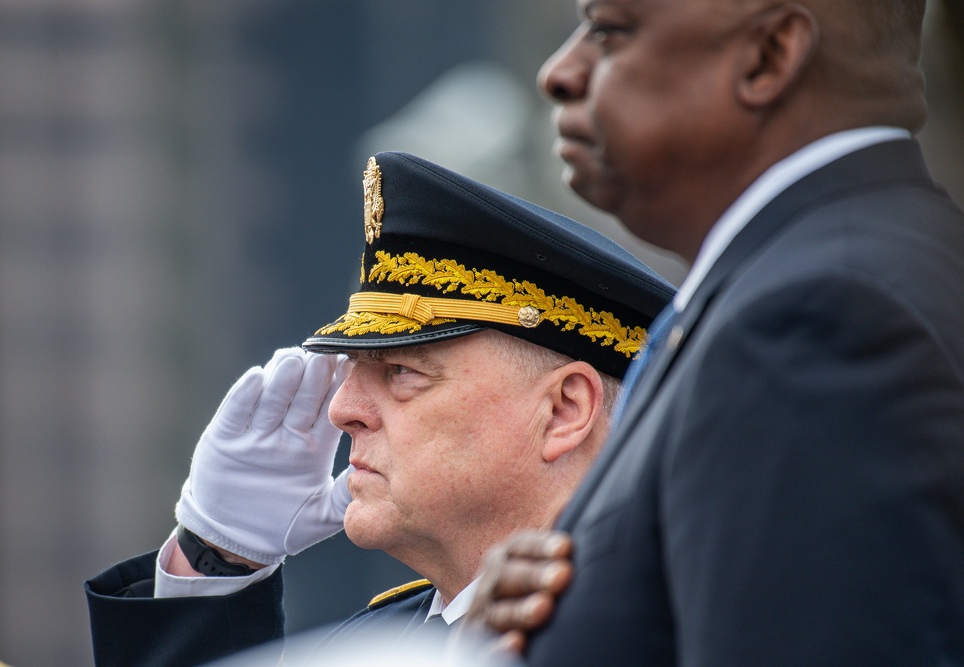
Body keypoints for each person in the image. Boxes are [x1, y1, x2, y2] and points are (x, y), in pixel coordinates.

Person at [467, 0, 964, 664]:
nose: (560, 73)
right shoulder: (820, 275)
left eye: (611, 33)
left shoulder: (814, 317)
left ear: (767, 56)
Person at [83, 150, 675, 666]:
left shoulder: (666, 636)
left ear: (564, 410)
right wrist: (216, 562)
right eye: (352, 372)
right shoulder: (385, 639)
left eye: (402, 371)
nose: (343, 410)